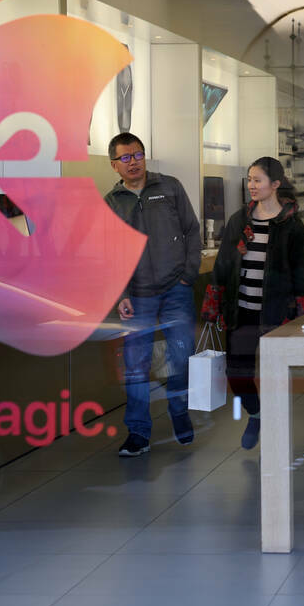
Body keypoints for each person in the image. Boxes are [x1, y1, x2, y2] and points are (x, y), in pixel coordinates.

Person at [104, 132, 203, 457]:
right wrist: (121, 293)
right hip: (138, 295)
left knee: (181, 356)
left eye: (138, 155)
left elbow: (191, 229)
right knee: (135, 365)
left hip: (176, 288)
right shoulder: (112, 202)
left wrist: (189, 275)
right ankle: (138, 433)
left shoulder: (170, 186)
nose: (133, 162)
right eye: (125, 158)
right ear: (114, 165)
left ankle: (179, 413)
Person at [213, 157, 304, 450]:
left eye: (257, 180)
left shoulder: (291, 226)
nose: (251, 186)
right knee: (237, 373)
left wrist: (303, 316)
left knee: (274, 376)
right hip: (242, 311)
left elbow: (303, 273)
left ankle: (274, 423)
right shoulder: (238, 221)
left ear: (275, 185)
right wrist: (216, 303)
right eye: (249, 180)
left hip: (275, 314)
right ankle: (255, 414)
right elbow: (223, 265)